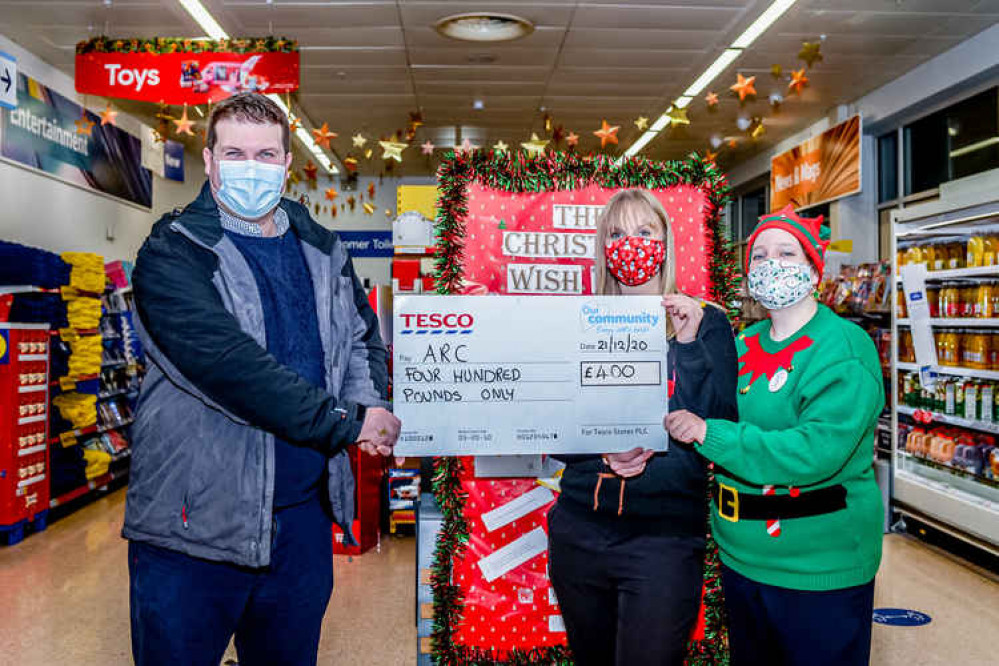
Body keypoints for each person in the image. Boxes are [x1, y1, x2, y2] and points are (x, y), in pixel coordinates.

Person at [123, 92, 400, 666]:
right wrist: (348, 422)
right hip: (193, 526)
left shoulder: (323, 249)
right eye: (236, 152)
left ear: (286, 163)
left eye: (266, 154)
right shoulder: (174, 250)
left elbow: (361, 340)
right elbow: (230, 368)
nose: (252, 166)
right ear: (210, 160)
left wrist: (368, 406)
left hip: (299, 523)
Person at [667, 205, 885, 666]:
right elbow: (701, 412)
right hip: (741, 557)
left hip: (818, 565)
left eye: (787, 253)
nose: (771, 264)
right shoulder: (742, 344)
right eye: (760, 255)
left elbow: (816, 452)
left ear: (813, 268)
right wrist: (688, 340)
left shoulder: (844, 348)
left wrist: (712, 434)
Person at [546, 189, 738, 666]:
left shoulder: (706, 321)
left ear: (666, 241)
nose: (630, 243)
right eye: (616, 233)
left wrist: (689, 346)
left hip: (664, 539)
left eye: (644, 231)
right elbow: (554, 428)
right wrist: (602, 452)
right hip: (580, 532)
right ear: (603, 247)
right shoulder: (580, 321)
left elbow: (720, 423)